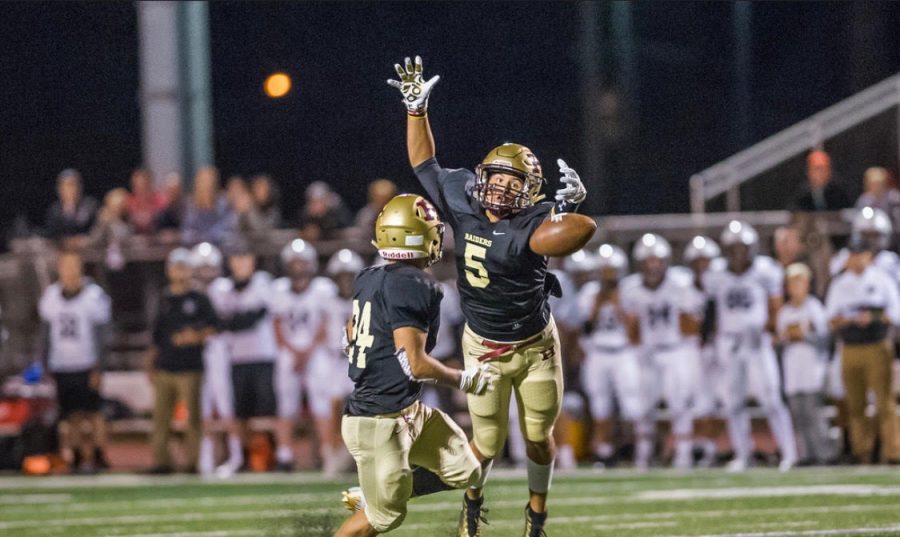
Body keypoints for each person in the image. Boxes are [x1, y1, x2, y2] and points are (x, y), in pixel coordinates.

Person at [387, 55, 595, 537]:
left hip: (535, 345)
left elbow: (582, 230)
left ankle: (536, 514)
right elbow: (424, 163)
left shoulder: (533, 223)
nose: (500, 187)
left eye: (512, 181)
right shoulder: (463, 195)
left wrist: (570, 212)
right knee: (485, 444)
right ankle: (473, 502)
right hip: (482, 345)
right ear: (482, 176)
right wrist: (416, 110)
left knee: (539, 439)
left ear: (530, 190)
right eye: (496, 177)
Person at [335, 194, 493, 537]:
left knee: (467, 470)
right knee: (385, 518)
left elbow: (350, 332)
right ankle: (377, 501)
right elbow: (416, 364)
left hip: (405, 410)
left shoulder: (368, 276)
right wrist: (467, 380)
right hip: (379, 421)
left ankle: (373, 494)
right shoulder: (414, 283)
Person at [704, 220, 798, 472]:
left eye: (741, 247)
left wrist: (771, 331)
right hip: (730, 342)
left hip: (757, 342)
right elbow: (711, 312)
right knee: (733, 402)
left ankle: (788, 453)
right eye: (732, 248)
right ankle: (743, 454)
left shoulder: (765, 271)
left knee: (771, 399)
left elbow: (775, 305)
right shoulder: (716, 274)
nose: (737, 253)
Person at [621, 234, 701, 470]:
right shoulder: (631, 288)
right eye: (648, 261)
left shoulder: (680, 283)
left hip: (675, 350)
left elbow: (692, 324)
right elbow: (632, 327)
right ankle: (644, 456)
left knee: (679, 405)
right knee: (644, 407)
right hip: (647, 352)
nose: (653, 265)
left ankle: (683, 455)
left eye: (657, 260)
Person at [825, 238, 900, 463]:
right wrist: (849, 320)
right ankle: (861, 452)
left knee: (884, 402)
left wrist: (873, 317)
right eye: (853, 254)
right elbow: (830, 319)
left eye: (861, 254)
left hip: (877, 345)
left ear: (869, 256)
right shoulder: (840, 284)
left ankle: (893, 452)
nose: (857, 259)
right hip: (850, 347)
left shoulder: (882, 280)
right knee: (854, 404)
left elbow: (896, 313)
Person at [144, 248, 218, 474]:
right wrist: (149, 363)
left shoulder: (199, 299)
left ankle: (192, 462)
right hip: (165, 366)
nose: (180, 271)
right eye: (176, 267)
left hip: (190, 366)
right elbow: (155, 336)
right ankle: (161, 461)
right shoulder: (163, 298)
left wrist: (193, 337)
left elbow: (213, 327)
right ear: (169, 270)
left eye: (184, 267)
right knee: (160, 419)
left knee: (192, 418)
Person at [38, 251, 111, 473]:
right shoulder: (50, 296)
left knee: (94, 413)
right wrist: (44, 362)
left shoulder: (93, 296)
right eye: (65, 265)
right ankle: (77, 456)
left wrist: (100, 366)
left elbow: (102, 334)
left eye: (73, 265)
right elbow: (45, 333)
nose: (69, 270)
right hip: (61, 363)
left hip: (87, 362)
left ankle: (99, 455)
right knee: (70, 416)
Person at [207, 241, 277, 474]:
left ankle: (273, 455)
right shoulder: (221, 288)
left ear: (252, 260)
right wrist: (234, 321)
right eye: (236, 258)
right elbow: (219, 322)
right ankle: (245, 456)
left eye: (244, 257)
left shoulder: (263, 283)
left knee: (267, 412)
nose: (240, 263)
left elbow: (250, 319)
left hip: (262, 354)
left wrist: (232, 321)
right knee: (240, 413)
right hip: (237, 357)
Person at [270, 239, 334, 472]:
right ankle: (284, 456)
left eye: (302, 262)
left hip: (315, 351)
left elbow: (326, 324)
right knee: (286, 405)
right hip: (289, 350)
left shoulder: (322, 289)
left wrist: (306, 352)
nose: (298, 267)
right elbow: (277, 325)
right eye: (294, 262)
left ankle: (327, 454)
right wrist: (294, 351)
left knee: (321, 404)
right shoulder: (278, 289)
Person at [577, 244, 643, 468]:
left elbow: (634, 330)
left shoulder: (630, 291)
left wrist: (618, 306)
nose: (608, 276)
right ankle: (604, 453)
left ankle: (635, 451)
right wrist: (598, 305)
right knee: (600, 405)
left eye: (611, 270)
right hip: (598, 353)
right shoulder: (589, 293)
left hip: (623, 352)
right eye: (605, 271)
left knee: (631, 404)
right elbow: (585, 328)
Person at [190, 242, 244, 477]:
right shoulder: (191, 291)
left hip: (221, 350)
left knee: (224, 403)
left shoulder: (224, 288)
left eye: (208, 267)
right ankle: (206, 454)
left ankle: (235, 455)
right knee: (203, 404)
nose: (204, 273)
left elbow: (226, 320)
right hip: (198, 351)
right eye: (200, 268)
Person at [776, 263, 834, 465]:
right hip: (793, 369)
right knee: (798, 414)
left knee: (814, 412)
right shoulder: (784, 312)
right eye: (792, 283)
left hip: (812, 367)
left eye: (799, 282)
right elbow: (781, 341)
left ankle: (824, 453)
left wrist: (804, 335)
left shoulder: (814, 307)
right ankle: (807, 454)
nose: (795, 287)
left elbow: (824, 338)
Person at [681, 235, 725, 468]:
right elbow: (686, 326)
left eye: (706, 262)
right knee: (696, 402)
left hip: (720, 348)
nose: (702, 267)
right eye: (698, 262)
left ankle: (711, 449)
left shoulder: (722, 287)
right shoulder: (685, 291)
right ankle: (695, 450)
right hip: (694, 351)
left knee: (718, 401)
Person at [181, 166, 235, 246]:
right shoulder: (190, 203)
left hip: (220, 246)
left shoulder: (224, 202)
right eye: (203, 180)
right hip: (195, 246)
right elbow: (187, 232)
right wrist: (201, 238)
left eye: (209, 180)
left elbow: (228, 228)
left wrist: (210, 237)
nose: (207, 184)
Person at [44, 169, 98, 241]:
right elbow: (51, 233)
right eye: (64, 186)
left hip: (86, 247)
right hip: (61, 248)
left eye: (72, 185)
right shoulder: (55, 210)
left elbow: (95, 230)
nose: (68, 190)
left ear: (79, 187)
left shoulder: (90, 205)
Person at [855, 167, 900, 238]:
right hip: (869, 235)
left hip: (892, 236)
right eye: (873, 184)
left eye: (879, 183)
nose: (877, 187)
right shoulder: (864, 200)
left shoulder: (894, 198)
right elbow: (859, 222)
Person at [126, 167, 167, 235]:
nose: (141, 190)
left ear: (150, 185)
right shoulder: (129, 203)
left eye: (144, 186)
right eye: (137, 187)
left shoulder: (160, 202)